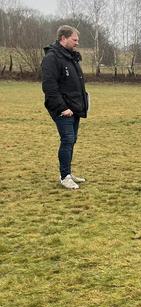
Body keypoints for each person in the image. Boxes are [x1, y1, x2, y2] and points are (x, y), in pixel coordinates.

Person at [41, 26, 89, 189]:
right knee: (67, 139)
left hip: (74, 107)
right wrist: (62, 108)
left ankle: (67, 172)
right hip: (63, 109)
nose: (77, 43)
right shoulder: (52, 58)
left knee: (71, 140)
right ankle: (64, 177)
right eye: (74, 39)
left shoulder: (70, 57)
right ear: (63, 38)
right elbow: (49, 86)